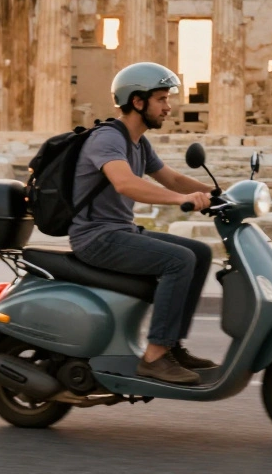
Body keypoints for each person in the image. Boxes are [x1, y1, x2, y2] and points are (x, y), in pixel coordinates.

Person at [68, 63, 217, 385]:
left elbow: (172, 178)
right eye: (162, 99)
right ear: (138, 101)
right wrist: (181, 200)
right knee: (180, 260)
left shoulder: (139, 142)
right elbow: (125, 183)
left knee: (200, 253)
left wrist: (220, 194)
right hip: (95, 237)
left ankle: (171, 345)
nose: (168, 107)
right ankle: (154, 357)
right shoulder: (108, 138)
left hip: (119, 231)